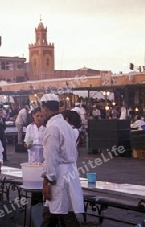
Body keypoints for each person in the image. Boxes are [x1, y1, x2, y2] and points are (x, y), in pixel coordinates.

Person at [40, 94, 84, 227]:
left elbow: (51, 157)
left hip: (59, 174)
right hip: (70, 171)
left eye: (42, 109)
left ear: (45, 108)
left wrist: (47, 180)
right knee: (62, 210)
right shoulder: (66, 125)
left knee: (60, 211)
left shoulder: (53, 128)